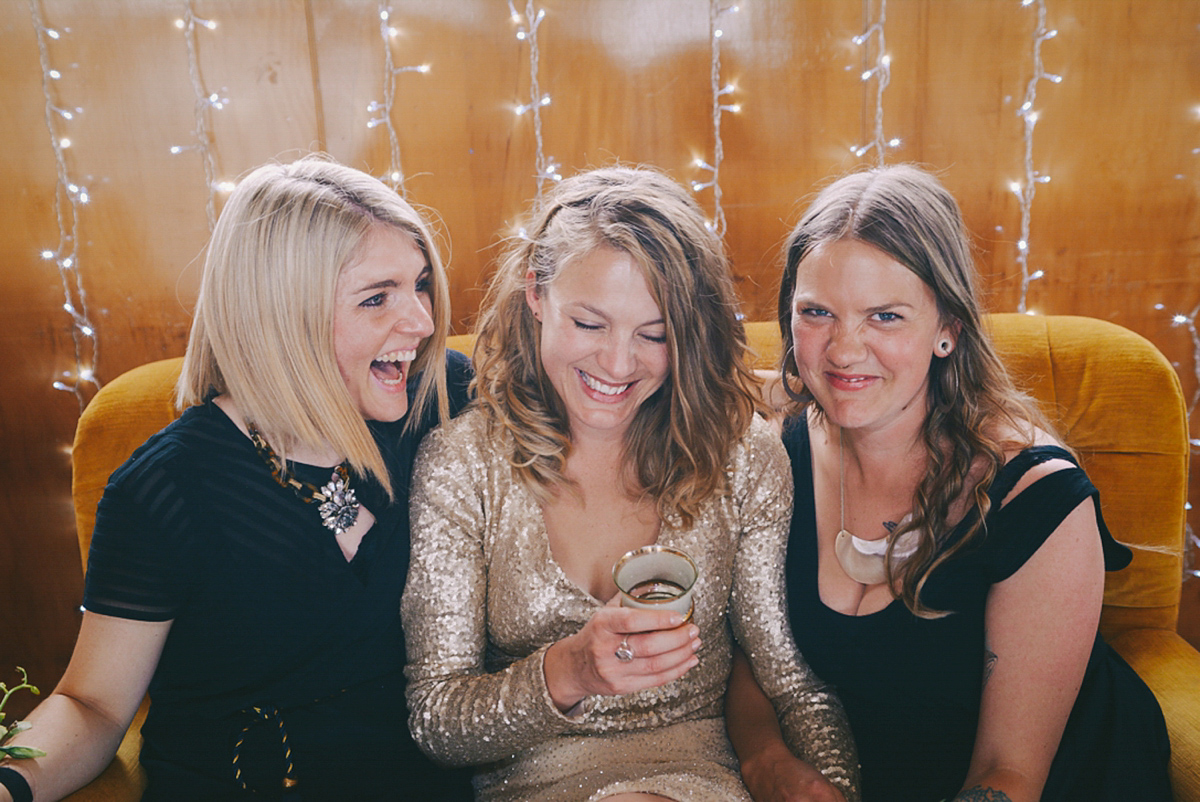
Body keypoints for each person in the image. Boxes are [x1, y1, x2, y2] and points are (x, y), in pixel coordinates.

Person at [0, 156, 474, 801]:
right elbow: (92, 704)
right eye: (376, 297)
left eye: (419, 284)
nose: (421, 321)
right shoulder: (165, 489)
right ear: (281, 316)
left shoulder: (442, 400)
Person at [401, 166, 860, 802]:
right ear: (536, 293)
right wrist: (570, 671)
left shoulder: (740, 455)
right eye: (589, 324)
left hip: (700, 776)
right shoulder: (463, 463)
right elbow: (437, 718)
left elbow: (787, 678)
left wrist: (832, 784)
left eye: (654, 335)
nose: (618, 365)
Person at [725, 164, 1172, 802]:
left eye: (884, 317)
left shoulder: (1037, 497)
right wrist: (766, 759)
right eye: (817, 312)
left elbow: (1007, 775)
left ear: (948, 330)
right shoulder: (773, 447)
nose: (844, 350)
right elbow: (752, 649)